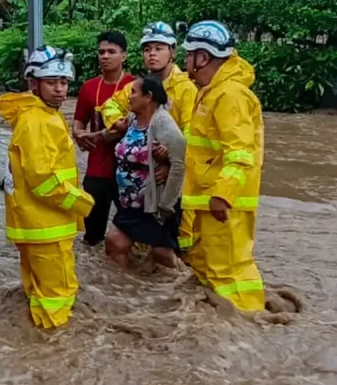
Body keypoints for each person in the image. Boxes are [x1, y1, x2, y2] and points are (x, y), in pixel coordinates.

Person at [0, 45, 95, 329]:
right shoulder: (37, 121)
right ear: (34, 83)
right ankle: (56, 351)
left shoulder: (39, 115)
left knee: (39, 295)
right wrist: (81, 203)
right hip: (47, 228)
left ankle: (38, 346)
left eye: (64, 82)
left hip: (37, 226)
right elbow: (42, 181)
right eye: (51, 82)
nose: (60, 90)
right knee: (57, 297)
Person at [180, 20, 266, 312]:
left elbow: (240, 152)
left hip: (224, 205)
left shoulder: (230, 94)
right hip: (209, 201)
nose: (185, 60)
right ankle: (216, 328)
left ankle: (249, 322)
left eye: (189, 54)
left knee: (229, 270)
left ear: (202, 57)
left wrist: (223, 195)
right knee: (207, 267)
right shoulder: (211, 91)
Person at [99, 21, 198, 252]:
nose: (152, 54)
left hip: (170, 181)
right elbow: (110, 105)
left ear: (172, 51)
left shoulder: (186, 89)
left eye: (158, 48)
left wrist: (169, 163)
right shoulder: (139, 85)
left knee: (173, 247)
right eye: (147, 49)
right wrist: (118, 123)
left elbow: (191, 137)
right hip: (138, 186)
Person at [105, 75, 186, 269]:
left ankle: (185, 287)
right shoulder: (132, 118)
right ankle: (125, 290)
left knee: (163, 257)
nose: (129, 97)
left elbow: (180, 166)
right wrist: (89, 136)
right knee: (114, 243)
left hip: (155, 207)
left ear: (148, 97)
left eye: (133, 92)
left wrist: (166, 206)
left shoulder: (166, 127)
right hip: (130, 203)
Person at [72, 32, 136, 246]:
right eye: (101, 52)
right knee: (91, 237)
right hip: (96, 169)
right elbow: (79, 122)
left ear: (124, 56)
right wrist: (78, 135)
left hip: (129, 169)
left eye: (111, 52)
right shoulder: (89, 87)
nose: (105, 56)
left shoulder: (135, 86)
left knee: (133, 234)